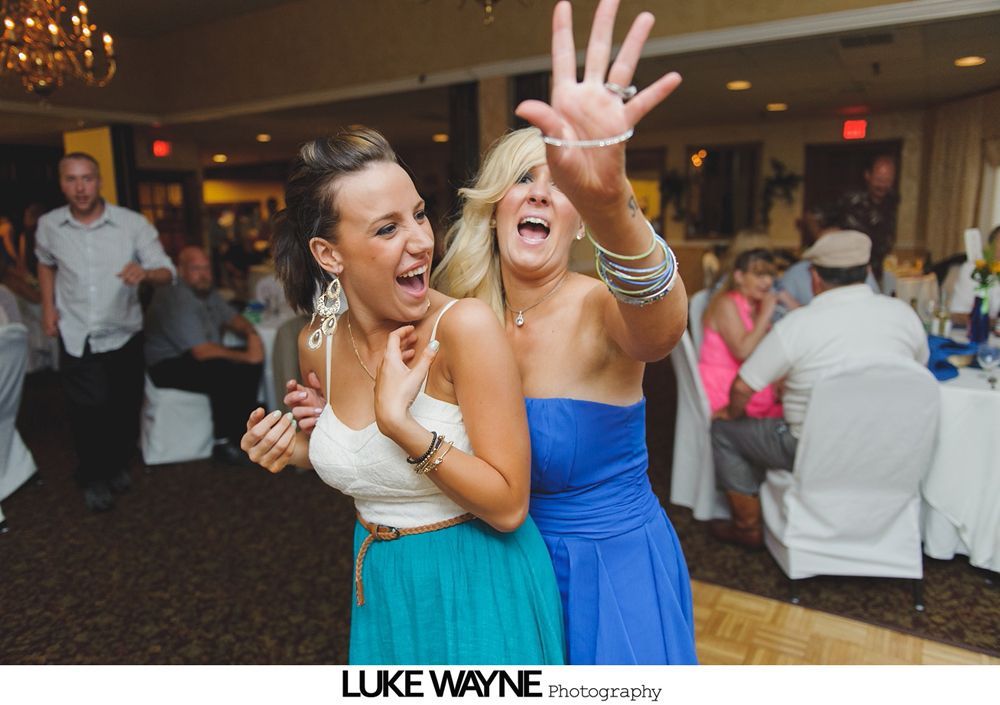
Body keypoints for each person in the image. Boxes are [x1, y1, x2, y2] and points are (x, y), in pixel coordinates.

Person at [429, 0, 697, 664]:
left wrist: (612, 204)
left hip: (611, 574)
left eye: (560, 184)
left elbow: (662, 327)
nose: (541, 194)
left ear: (577, 220)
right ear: (495, 209)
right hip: (499, 568)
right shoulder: (461, 317)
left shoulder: (601, 308)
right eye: (524, 179)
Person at [240, 127, 564, 665]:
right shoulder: (315, 344)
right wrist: (295, 450)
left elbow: (508, 506)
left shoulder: (465, 329)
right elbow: (367, 468)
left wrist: (402, 424)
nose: (419, 240)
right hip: (383, 582)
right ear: (329, 253)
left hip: (479, 581)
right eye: (388, 228)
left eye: (418, 214)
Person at [710, 230, 929, 548]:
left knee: (723, 431)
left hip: (813, 450)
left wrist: (731, 412)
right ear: (868, 272)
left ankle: (747, 527)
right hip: (891, 447)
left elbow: (743, 386)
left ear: (814, 277)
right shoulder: (904, 316)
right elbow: (915, 374)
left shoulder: (800, 324)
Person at [35, 152, 175, 512]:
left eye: (87, 179)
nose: (80, 188)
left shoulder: (131, 224)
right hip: (76, 332)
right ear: (61, 183)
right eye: (71, 179)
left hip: (124, 332)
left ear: (99, 182)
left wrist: (145, 273)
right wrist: (49, 308)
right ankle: (93, 476)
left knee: (123, 408)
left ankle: (114, 465)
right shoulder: (50, 225)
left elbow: (167, 271)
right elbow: (46, 264)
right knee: (88, 408)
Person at [144, 246, 263, 466]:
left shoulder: (207, 291)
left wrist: (250, 331)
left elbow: (232, 318)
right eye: (195, 268)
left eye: (207, 268)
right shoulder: (176, 298)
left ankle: (246, 432)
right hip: (165, 364)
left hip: (196, 354)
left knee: (245, 365)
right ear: (180, 270)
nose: (203, 274)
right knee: (224, 371)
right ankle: (223, 442)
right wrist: (248, 356)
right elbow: (202, 352)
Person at [698, 248, 783, 419]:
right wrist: (766, 314)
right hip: (724, 389)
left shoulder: (755, 305)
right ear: (739, 277)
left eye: (770, 276)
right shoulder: (726, 304)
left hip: (743, 382)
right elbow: (742, 350)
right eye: (759, 275)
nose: (767, 282)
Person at [833, 154, 899, 285]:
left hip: (877, 270)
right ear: (867, 175)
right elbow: (813, 215)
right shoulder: (850, 199)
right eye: (879, 179)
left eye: (888, 180)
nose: (883, 185)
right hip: (849, 272)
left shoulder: (892, 200)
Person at [949, 225, 1000, 327]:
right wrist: (994, 323)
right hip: (975, 335)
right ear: (991, 246)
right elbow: (957, 315)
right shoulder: (975, 269)